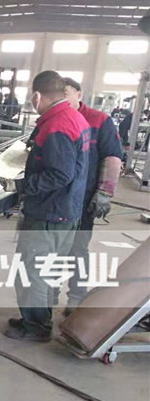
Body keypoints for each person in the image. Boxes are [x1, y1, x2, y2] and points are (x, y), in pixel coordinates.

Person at [0, 70, 90, 342]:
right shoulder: (74, 117)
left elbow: (60, 174)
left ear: (37, 96)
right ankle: (39, 318)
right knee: (48, 270)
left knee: (32, 271)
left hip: (49, 213)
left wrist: (20, 186)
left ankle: (36, 327)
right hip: (66, 211)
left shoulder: (57, 125)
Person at [62, 77, 123, 314]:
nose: (62, 98)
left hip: (83, 198)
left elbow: (113, 157)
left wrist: (105, 192)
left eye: (66, 93)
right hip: (57, 199)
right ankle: (46, 299)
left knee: (78, 249)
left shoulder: (99, 120)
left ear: (79, 94)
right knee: (50, 251)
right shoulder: (55, 118)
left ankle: (76, 298)